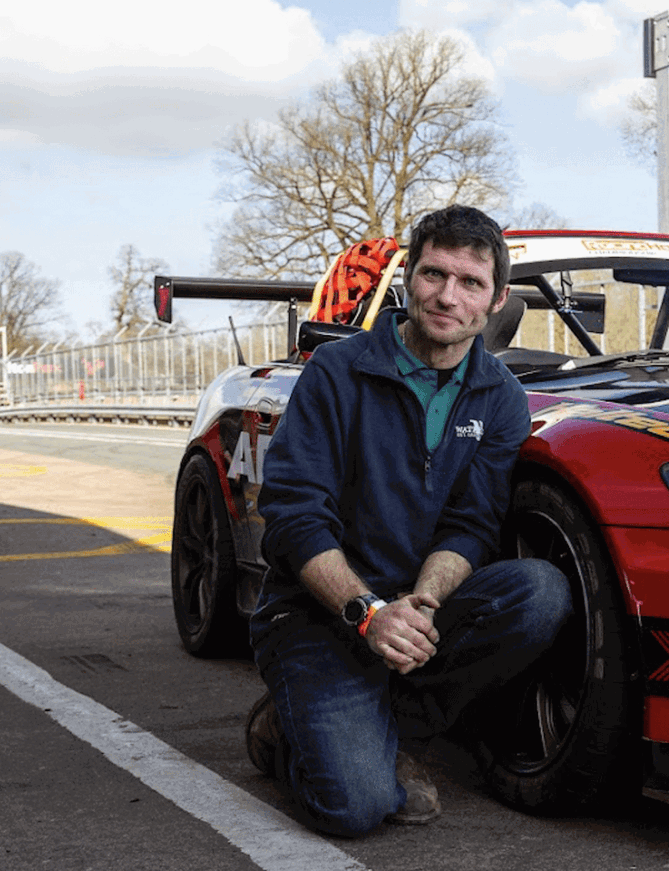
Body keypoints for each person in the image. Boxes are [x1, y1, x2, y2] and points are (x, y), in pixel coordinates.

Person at [244, 204, 571, 837]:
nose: (448, 296)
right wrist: (367, 613)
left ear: (496, 299)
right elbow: (293, 516)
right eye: (433, 274)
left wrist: (422, 603)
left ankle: (403, 732)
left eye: (470, 283)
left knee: (539, 593)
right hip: (319, 612)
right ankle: (284, 728)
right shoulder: (337, 373)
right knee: (357, 809)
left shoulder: (501, 397)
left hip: (414, 606)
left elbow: (472, 524)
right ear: (408, 280)